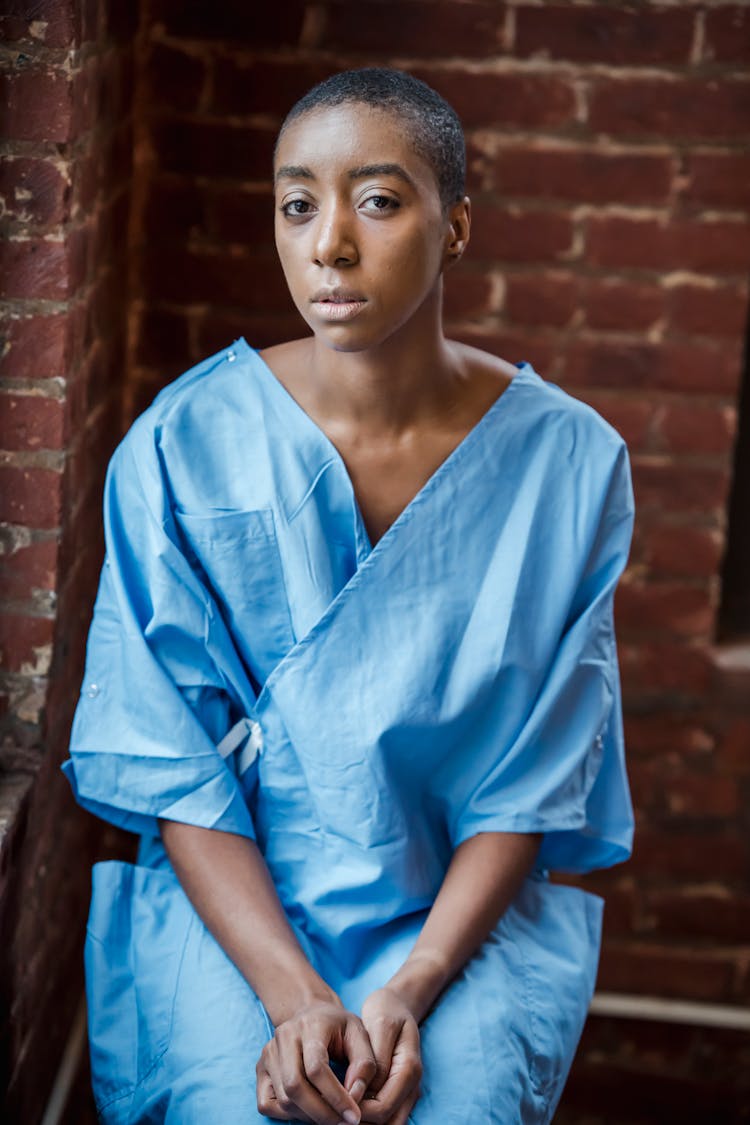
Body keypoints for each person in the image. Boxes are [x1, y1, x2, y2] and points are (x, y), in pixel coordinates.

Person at [62, 67, 635, 1125]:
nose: (328, 244)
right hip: (240, 903)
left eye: (377, 200)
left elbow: (536, 777)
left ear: (454, 227)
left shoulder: (571, 464)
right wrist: (292, 998)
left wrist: (413, 989)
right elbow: (170, 751)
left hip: (450, 914)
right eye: (297, 204)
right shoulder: (181, 445)